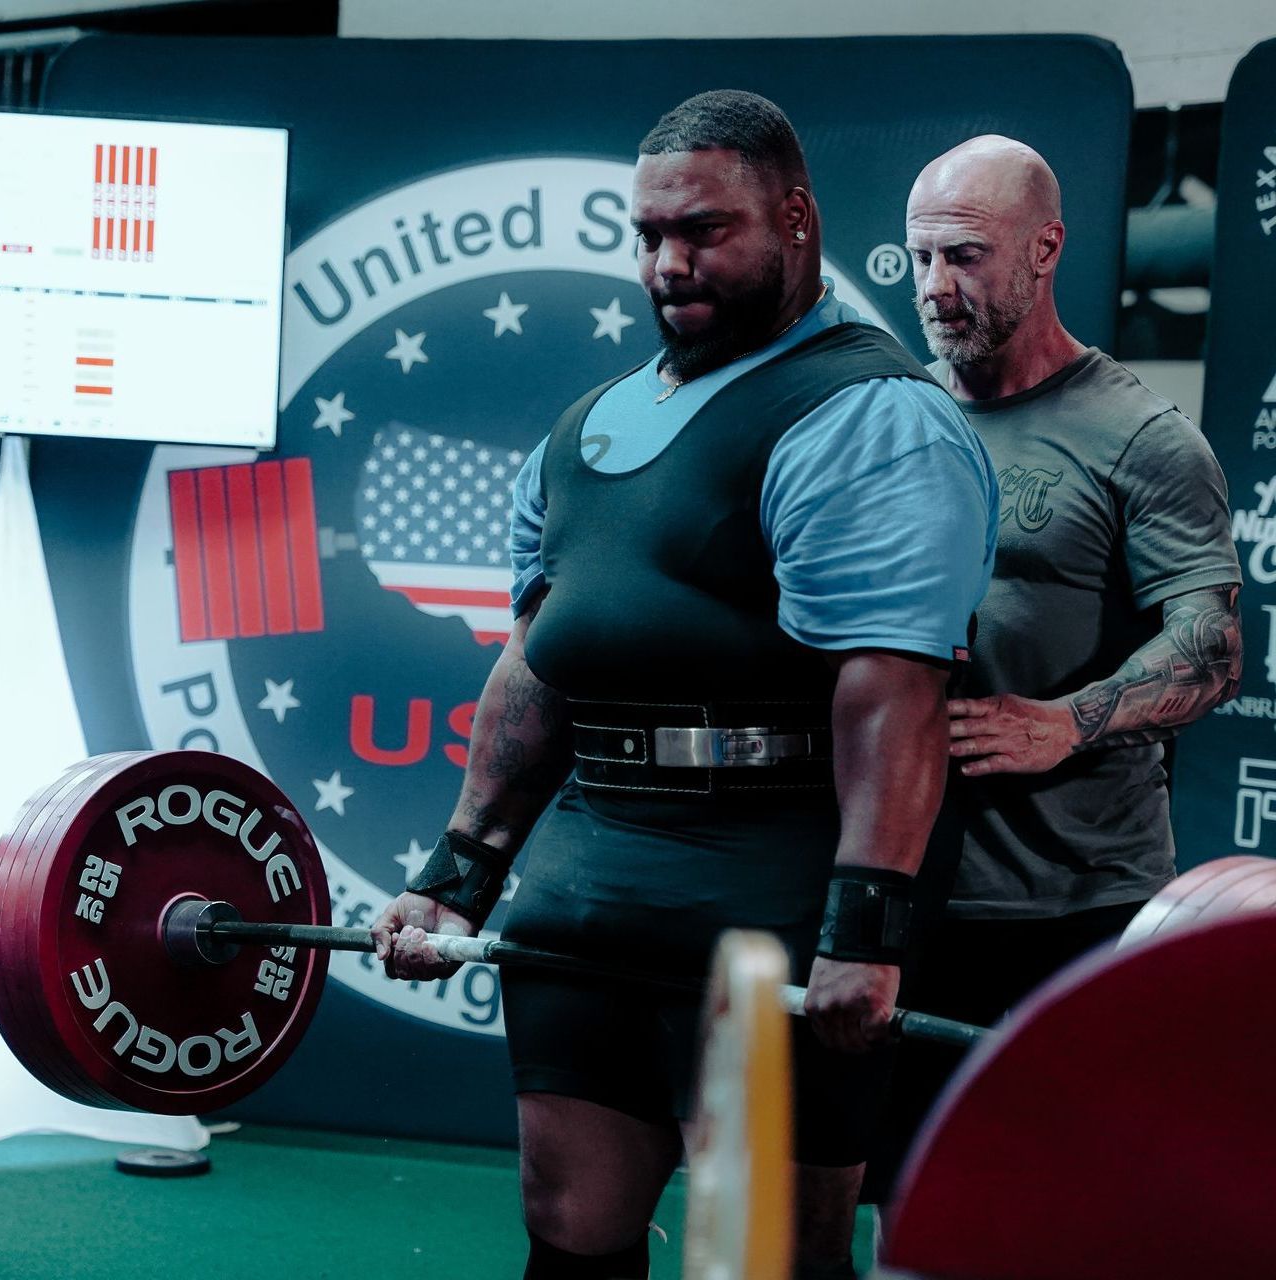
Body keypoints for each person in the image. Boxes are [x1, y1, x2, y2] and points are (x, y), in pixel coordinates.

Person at [372, 91, 998, 1280]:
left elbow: (892, 694)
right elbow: (537, 663)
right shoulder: (590, 425)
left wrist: (861, 933)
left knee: (760, 1253)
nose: (669, 262)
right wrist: (458, 878)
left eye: (705, 230)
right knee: (565, 1227)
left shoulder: (868, 417)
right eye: (649, 234)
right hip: (588, 882)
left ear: (796, 220)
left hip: (769, 896)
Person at [876, 134, 1244, 1187]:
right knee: (906, 1191)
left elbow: (1210, 648)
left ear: (1043, 251)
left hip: (1076, 898)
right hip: (911, 880)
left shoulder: (1139, 434)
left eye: (965, 257)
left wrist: (1064, 718)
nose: (936, 288)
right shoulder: (894, 419)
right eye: (919, 260)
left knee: (1068, 1190)